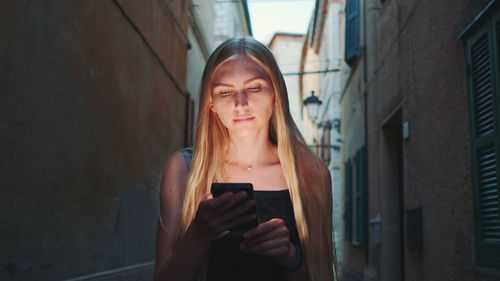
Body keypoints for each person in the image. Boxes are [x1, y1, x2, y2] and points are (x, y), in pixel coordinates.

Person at [154, 37, 337, 281]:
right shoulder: (183, 170)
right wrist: (198, 234)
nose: (241, 104)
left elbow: (321, 275)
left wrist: (290, 256)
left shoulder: (310, 173)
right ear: (211, 102)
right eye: (226, 91)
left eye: (254, 87)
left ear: (276, 95)